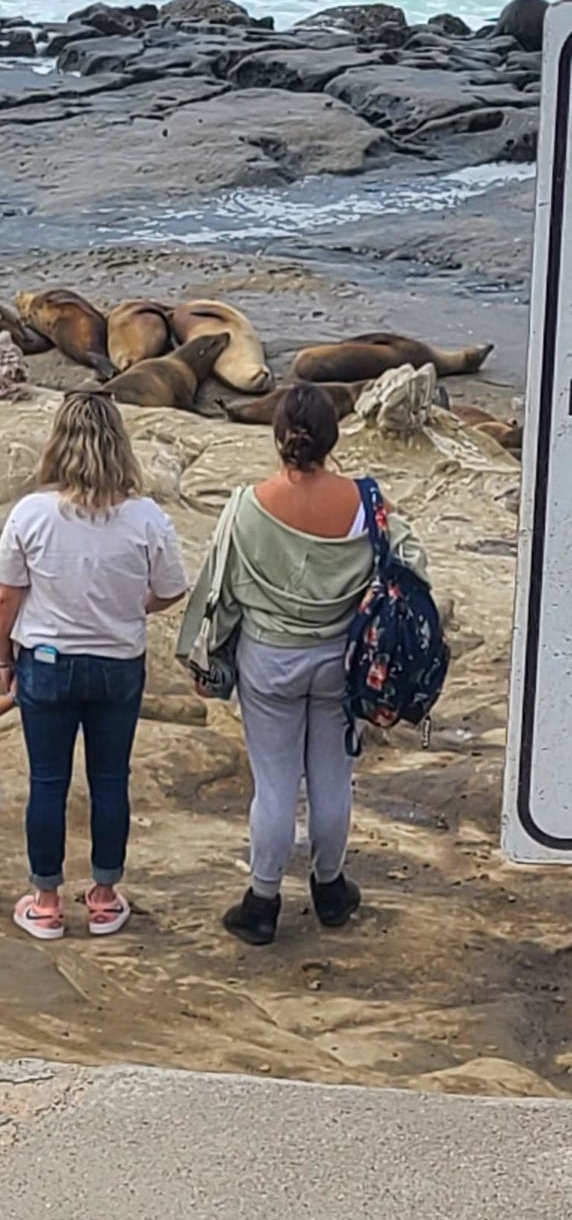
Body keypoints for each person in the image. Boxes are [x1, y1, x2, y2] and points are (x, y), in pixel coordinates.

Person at [180, 382, 429, 945]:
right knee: (332, 778)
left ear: (277, 438)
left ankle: (262, 901)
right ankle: (331, 889)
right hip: (341, 661)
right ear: (333, 436)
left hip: (268, 661)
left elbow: (219, 590)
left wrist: (206, 663)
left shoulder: (246, 505)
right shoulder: (367, 501)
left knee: (273, 785)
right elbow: (413, 563)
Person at [1, 392, 187, 940]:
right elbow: (170, 590)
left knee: (47, 782)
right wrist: (132, 605)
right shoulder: (144, 517)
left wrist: (3, 662)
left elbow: (7, 597)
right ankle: (104, 897)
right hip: (117, 663)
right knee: (110, 780)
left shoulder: (31, 513)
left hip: (48, 661)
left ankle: (46, 901)